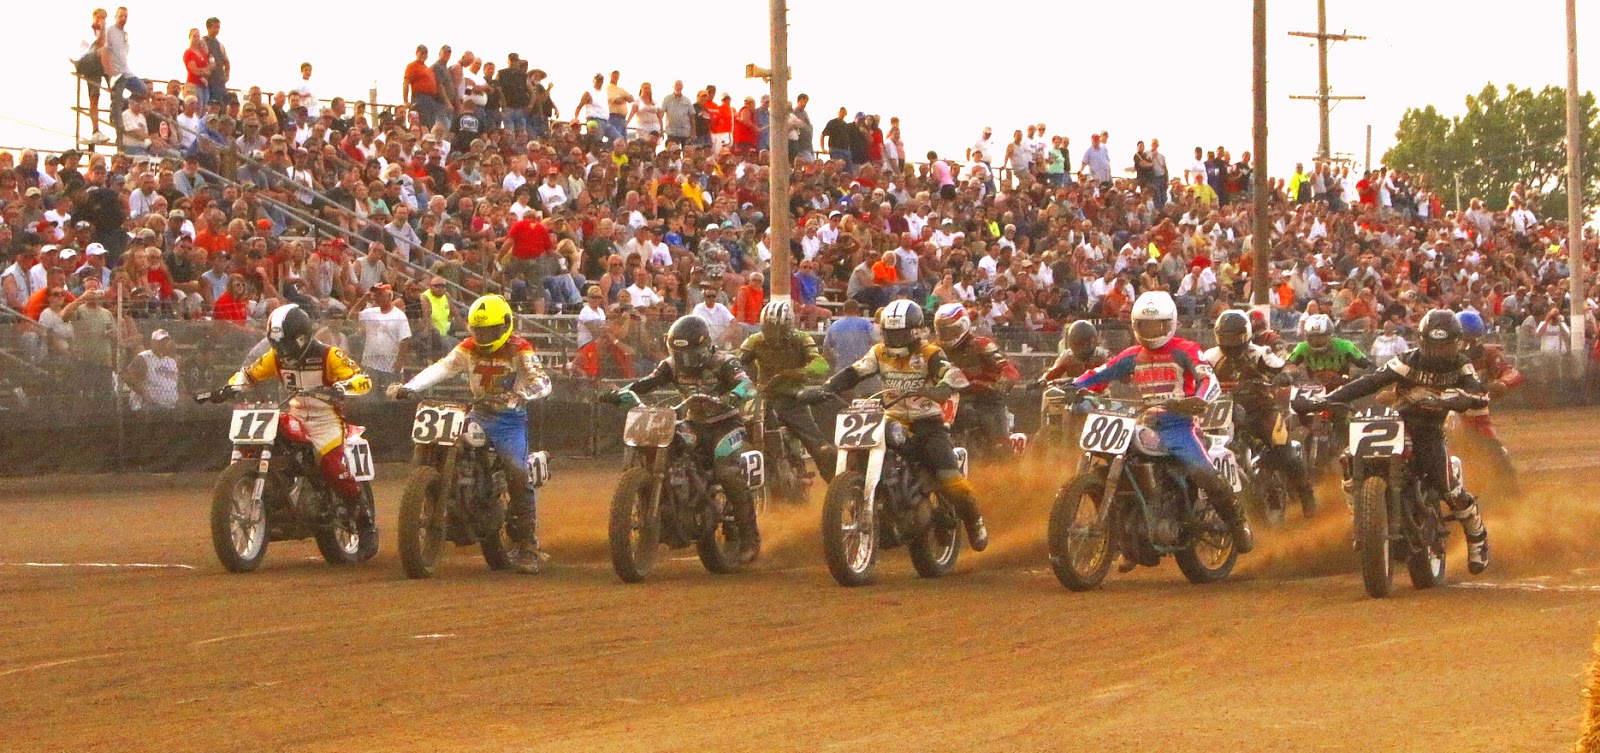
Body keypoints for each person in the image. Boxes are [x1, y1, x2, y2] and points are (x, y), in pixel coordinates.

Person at [1294, 309, 1492, 574]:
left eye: (1445, 345)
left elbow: (1479, 393)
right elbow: (1370, 381)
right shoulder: (1407, 361)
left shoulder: (1461, 365)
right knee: (1350, 457)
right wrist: (1324, 401)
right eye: (1434, 344)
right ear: (1423, 340)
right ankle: (1362, 517)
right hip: (1398, 424)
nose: (1439, 351)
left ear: (1455, 343)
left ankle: (1477, 537)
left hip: (1430, 429)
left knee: (1447, 486)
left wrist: (1461, 398)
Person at [798, 300, 990, 552]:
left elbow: (949, 372)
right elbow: (854, 371)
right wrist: (826, 388)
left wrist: (943, 386)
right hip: (892, 417)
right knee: (860, 451)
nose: (895, 338)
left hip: (927, 423)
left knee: (949, 479)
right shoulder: (879, 352)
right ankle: (870, 499)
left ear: (914, 331)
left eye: (900, 333)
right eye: (890, 333)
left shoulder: (929, 353)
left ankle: (974, 521)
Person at [1069, 292, 1254, 553]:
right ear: (1136, 326)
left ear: (1170, 324)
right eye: (1145, 325)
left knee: (1202, 471)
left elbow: (1207, 379)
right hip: (1145, 422)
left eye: (1157, 325)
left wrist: (1199, 399)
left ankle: (1238, 524)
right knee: (1114, 462)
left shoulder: (1185, 349)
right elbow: (1100, 373)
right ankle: (1127, 532)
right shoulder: (1132, 355)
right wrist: (1071, 386)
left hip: (1179, 425)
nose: (1152, 331)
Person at [389, 295, 553, 574]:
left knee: (516, 472)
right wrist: (411, 387)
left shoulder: (519, 349)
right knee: (453, 442)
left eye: (490, 330)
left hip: (509, 420)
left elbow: (542, 381)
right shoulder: (467, 348)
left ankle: (528, 546)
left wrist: (524, 394)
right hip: (479, 413)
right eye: (480, 330)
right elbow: (443, 367)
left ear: (504, 326)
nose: (485, 335)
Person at [606, 316, 761, 562]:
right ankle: (666, 507)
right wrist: (622, 393)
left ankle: (749, 537)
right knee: (670, 450)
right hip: (694, 423)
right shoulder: (670, 366)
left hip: (725, 424)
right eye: (678, 352)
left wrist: (732, 397)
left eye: (688, 353)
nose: (683, 359)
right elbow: (648, 382)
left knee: (726, 472)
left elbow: (747, 385)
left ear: (703, 347)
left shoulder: (725, 362)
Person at [212, 304, 373, 506]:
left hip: (325, 420)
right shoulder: (276, 357)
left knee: (333, 468)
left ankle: (363, 519)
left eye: (285, 344)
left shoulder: (329, 355)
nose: (281, 351)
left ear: (301, 338)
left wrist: (342, 387)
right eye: (277, 345)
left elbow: (363, 379)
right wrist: (230, 387)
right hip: (295, 414)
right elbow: (249, 374)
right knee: (268, 440)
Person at [1204, 310, 1317, 517]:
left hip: (1261, 408)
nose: (1230, 343)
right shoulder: (1209, 358)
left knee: (1283, 448)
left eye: (1235, 338)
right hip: (1221, 412)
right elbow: (1195, 377)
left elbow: (1287, 366)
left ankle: (1306, 494)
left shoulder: (1259, 353)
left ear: (1246, 335)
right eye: (1226, 338)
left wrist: (1286, 376)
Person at [736, 300, 836, 482]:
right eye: (768, 328)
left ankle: (839, 491)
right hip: (761, 400)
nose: (771, 335)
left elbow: (821, 364)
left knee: (820, 448)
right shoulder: (754, 340)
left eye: (776, 330)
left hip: (793, 400)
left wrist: (799, 373)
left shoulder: (802, 339)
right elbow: (736, 363)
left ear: (788, 327)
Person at [932, 302, 1020, 459]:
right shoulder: (934, 349)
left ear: (964, 326)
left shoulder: (981, 344)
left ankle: (1008, 467)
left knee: (1000, 446)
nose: (947, 335)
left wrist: (1001, 384)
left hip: (985, 398)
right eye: (943, 331)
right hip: (947, 397)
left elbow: (1008, 368)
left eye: (952, 330)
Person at [1456, 310, 1522, 489]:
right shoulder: (1441, 358)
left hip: (1478, 417)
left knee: (1500, 458)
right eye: (1462, 338)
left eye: (1471, 339)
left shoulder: (1489, 354)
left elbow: (1511, 372)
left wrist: (1502, 383)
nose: (1466, 344)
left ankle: (1510, 496)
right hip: (1446, 415)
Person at [1288, 313, 1374, 390]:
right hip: (1314, 391)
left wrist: (1356, 378)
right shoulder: (1302, 347)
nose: (1317, 341)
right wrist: (1288, 374)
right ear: (1307, 337)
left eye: (1321, 337)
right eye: (1313, 337)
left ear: (1330, 335)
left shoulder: (1346, 346)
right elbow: (1288, 365)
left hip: (1342, 391)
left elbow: (1370, 366)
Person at [349, 283, 411, 386]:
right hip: (370, 364)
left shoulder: (399, 315)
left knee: (389, 397)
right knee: (369, 395)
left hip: (390, 366)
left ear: (389, 296)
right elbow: (351, 316)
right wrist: (363, 299)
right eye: (376, 294)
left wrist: (400, 362)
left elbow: (405, 339)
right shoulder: (370, 312)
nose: (376, 297)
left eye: (380, 294)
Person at [124, 328, 180, 411]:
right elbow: (128, 377)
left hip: (170, 406)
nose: (163, 343)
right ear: (152, 342)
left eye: (165, 341)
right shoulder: (144, 357)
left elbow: (176, 383)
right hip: (148, 407)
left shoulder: (171, 361)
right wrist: (145, 395)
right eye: (160, 341)